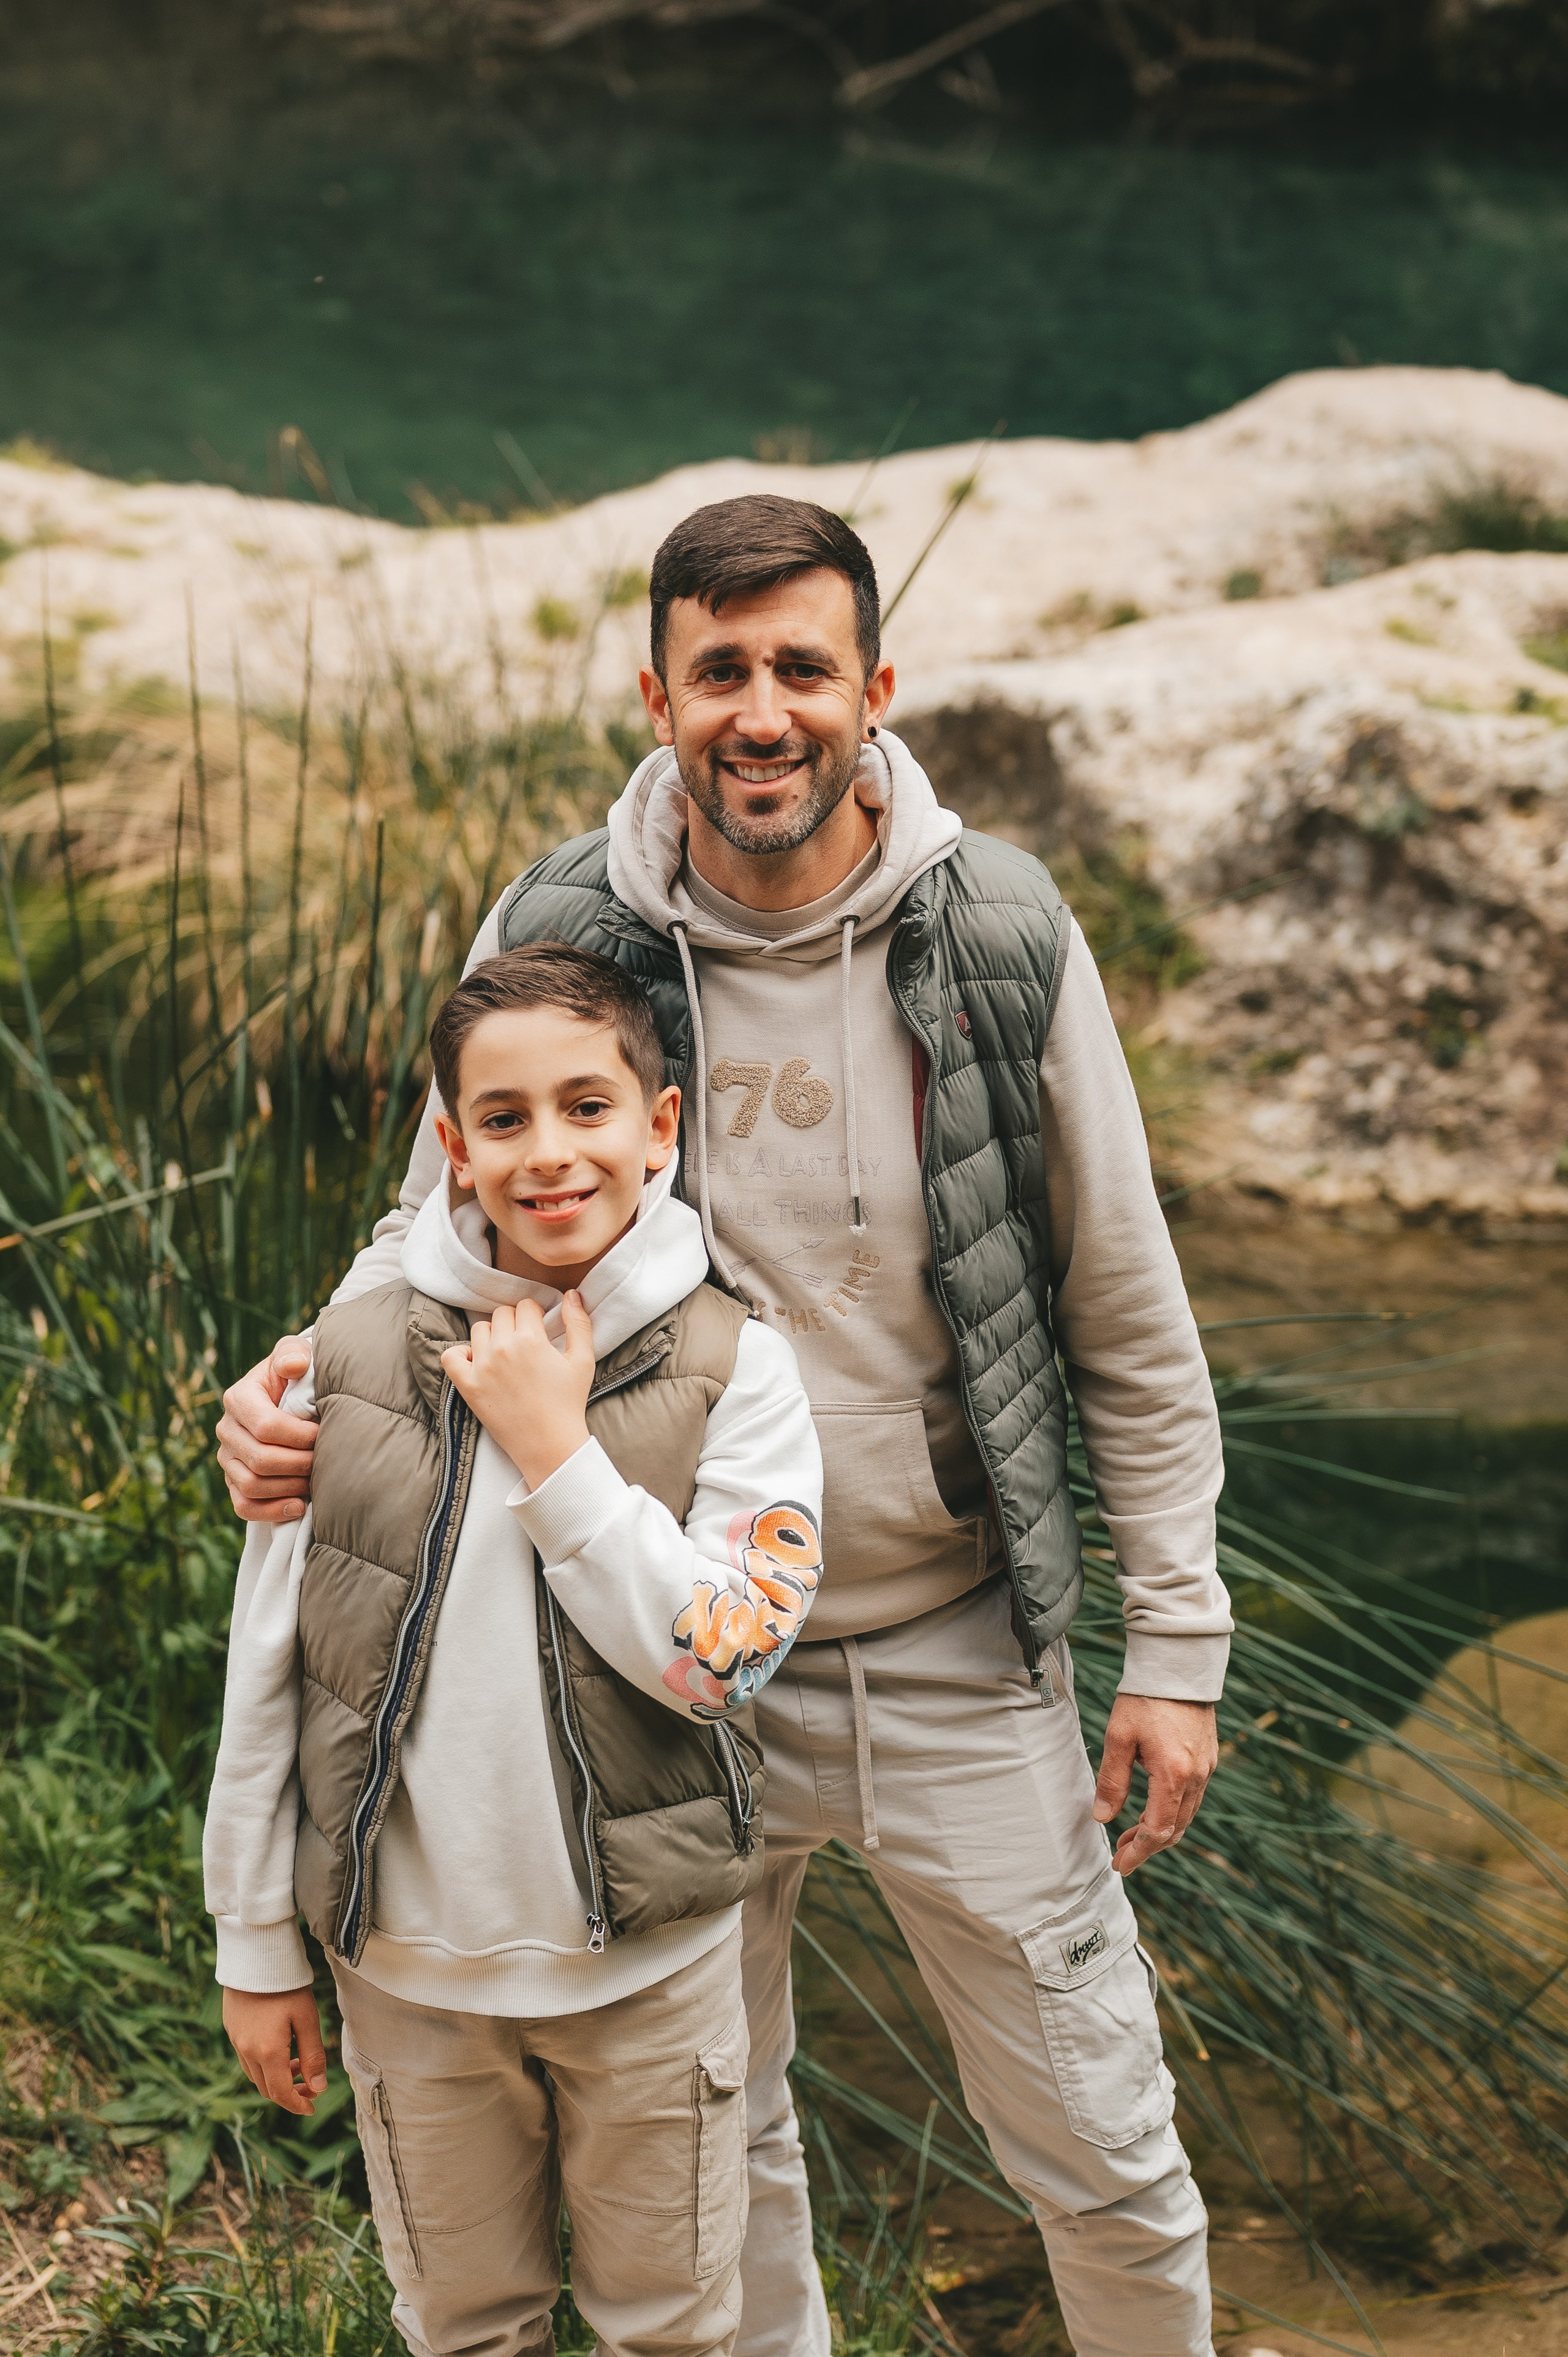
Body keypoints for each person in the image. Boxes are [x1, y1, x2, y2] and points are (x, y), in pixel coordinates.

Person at [216, 494, 1232, 2357]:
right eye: (720, 673)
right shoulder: (562, 919)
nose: (761, 713)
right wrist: (296, 1386)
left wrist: (1176, 1638)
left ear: (872, 689)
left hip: (953, 1649)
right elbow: (442, 1230)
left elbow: (1126, 1311)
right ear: (658, 693)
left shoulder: (997, 930)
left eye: (800, 669)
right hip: (645, 1666)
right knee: (729, 2146)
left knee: (1102, 2143)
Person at [204, 942, 824, 2357]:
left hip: (648, 1972)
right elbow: (268, 1670)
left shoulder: (739, 1370)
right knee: (463, 2323)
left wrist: (558, 1455)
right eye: (503, 1119)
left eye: (587, 1106)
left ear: (658, 1125)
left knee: (669, 2325)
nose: (548, 1153)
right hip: (406, 1974)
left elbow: (721, 1658)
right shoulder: (342, 1362)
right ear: (452, 1147)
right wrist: (255, 1941)